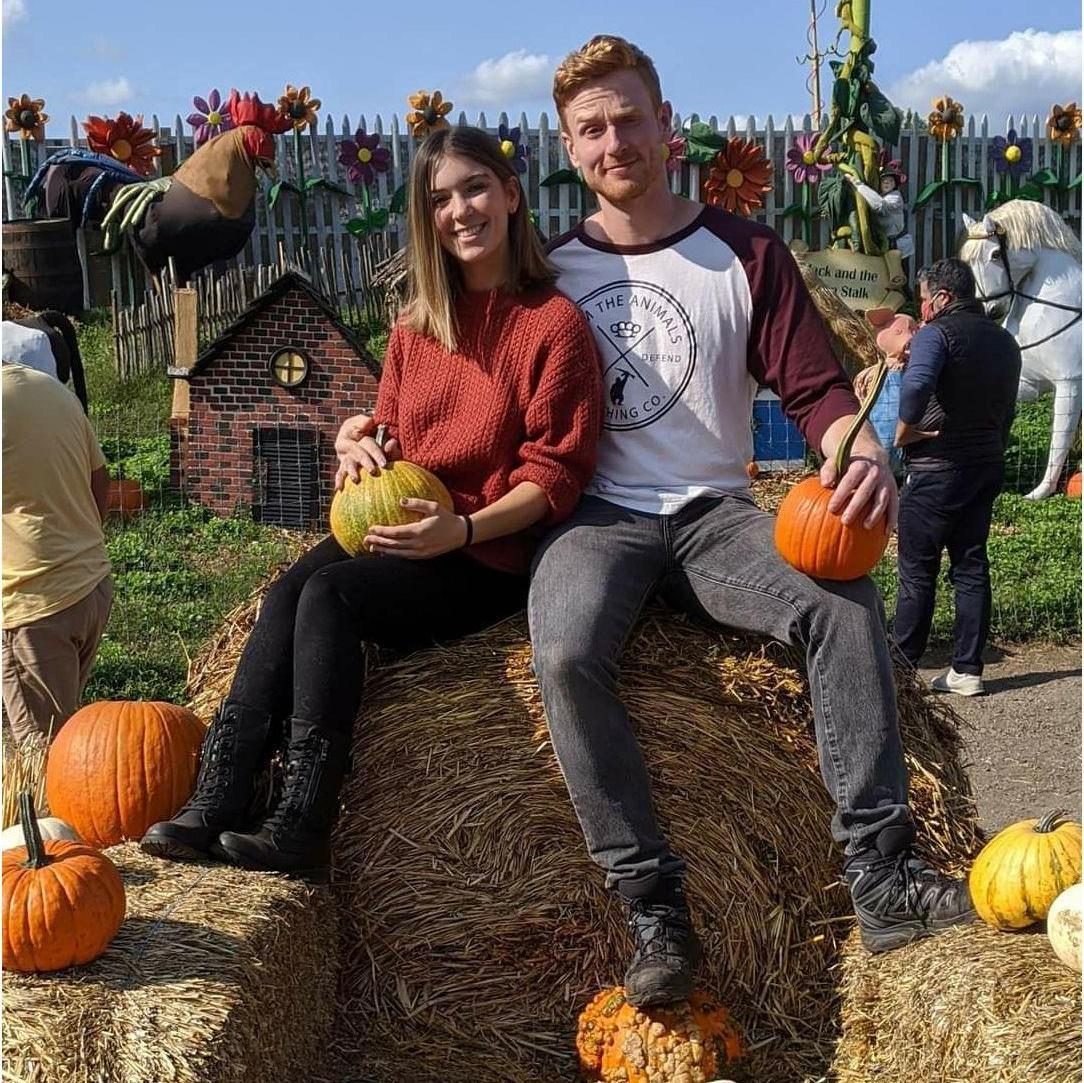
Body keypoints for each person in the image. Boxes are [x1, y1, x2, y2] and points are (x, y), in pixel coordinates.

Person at [522, 34, 975, 1008]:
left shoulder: (744, 252)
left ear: (665, 124)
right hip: (595, 520)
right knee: (560, 654)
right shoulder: (546, 271)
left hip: (713, 520)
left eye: (628, 118)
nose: (614, 141)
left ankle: (882, 877)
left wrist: (860, 461)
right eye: (590, 128)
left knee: (842, 607)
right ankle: (652, 909)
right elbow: (464, 374)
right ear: (570, 148)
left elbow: (815, 394)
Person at [141, 126, 602, 880]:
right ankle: (221, 792)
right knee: (287, 589)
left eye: (476, 188)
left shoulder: (554, 326)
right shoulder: (416, 328)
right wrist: (358, 443)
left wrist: (461, 529)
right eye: (440, 199)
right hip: (404, 519)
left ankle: (304, 818)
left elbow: (555, 474)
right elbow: (391, 430)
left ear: (512, 195)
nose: (461, 210)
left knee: (332, 594)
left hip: (486, 549)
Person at [892, 258, 1022, 696]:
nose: (922, 307)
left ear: (943, 298)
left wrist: (905, 428)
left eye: (925, 299)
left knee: (917, 572)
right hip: (985, 466)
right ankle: (967, 670)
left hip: (934, 472)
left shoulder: (936, 333)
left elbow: (916, 386)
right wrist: (993, 444)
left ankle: (899, 671)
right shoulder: (1006, 342)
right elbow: (1008, 410)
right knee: (970, 565)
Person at [2, 361, 112, 744]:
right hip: (89, 589)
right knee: (59, 740)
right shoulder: (50, 390)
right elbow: (100, 481)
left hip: (33, 608)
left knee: (36, 756)